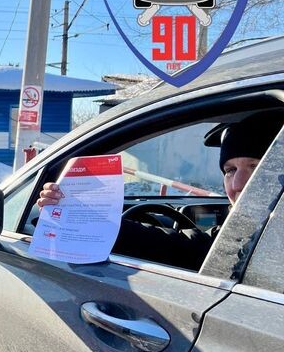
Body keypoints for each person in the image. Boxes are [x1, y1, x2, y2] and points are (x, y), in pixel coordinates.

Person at [37, 110, 284, 269]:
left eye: (257, 167)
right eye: (230, 170)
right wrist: (73, 213)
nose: (238, 184)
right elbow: (191, 250)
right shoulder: (250, 231)